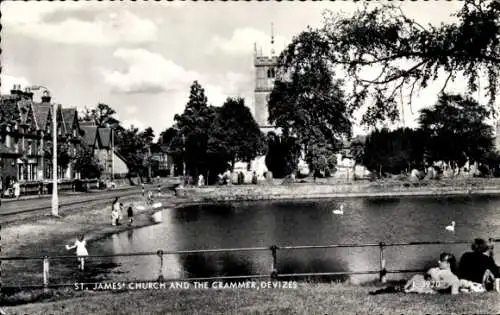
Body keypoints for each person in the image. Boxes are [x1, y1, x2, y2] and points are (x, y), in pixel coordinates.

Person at [370, 252, 460, 295]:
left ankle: (387, 288)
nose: (438, 261)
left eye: (442, 260)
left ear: (448, 264)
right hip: (418, 283)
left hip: (421, 286)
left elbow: (452, 292)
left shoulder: (452, 277)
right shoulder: (437, 270)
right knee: (397, 286)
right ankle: (386, 287)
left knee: (397, 287)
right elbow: (427, 275)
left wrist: (433, 275)